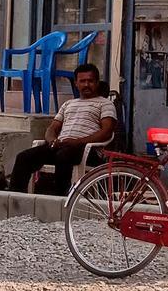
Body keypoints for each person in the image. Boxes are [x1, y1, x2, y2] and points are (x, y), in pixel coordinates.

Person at [10, 63, 116, 196]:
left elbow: (106, 132)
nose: (86, 85)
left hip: (87, 150)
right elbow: (52, 128)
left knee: (63, 155)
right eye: (82, 81)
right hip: (61, 146)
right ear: (76, 83)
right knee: (23, 157)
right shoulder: (68, 104)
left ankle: (59, 199)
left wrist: (77, 142)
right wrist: (52, 140)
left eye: (90, 81)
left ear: (97, 83)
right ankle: (15, 200)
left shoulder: (105, 104)